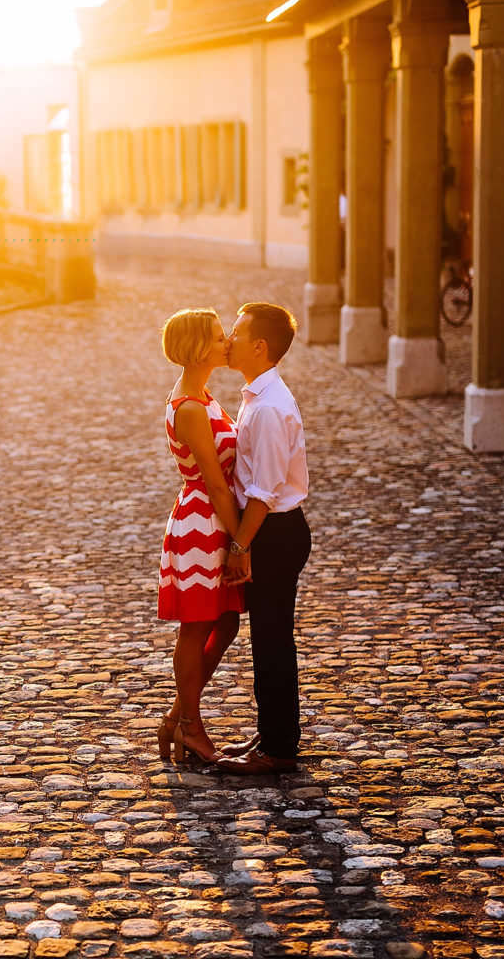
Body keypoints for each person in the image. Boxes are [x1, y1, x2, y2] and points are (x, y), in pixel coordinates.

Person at [209, 302, 311, 775]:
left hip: (273, 532)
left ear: (260, 346)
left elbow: (264, 493)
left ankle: (279, 749)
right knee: (268, 638)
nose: (228, 339)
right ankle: (272, 733)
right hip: (270, 530)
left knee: (273, 640)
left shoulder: (270, 408)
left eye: (235, 331)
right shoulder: (258, 396)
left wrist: (239, 546)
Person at [155, 307, 252, 766]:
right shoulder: (190, 407)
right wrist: (241, 543)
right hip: (203, 522)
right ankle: (191, 725)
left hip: (212, 516)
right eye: (217, 338)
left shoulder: (202, 394)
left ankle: (179, 715)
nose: (226, 343)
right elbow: (215, 483)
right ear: (196, 350)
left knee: (227, 622)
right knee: (197, 627)